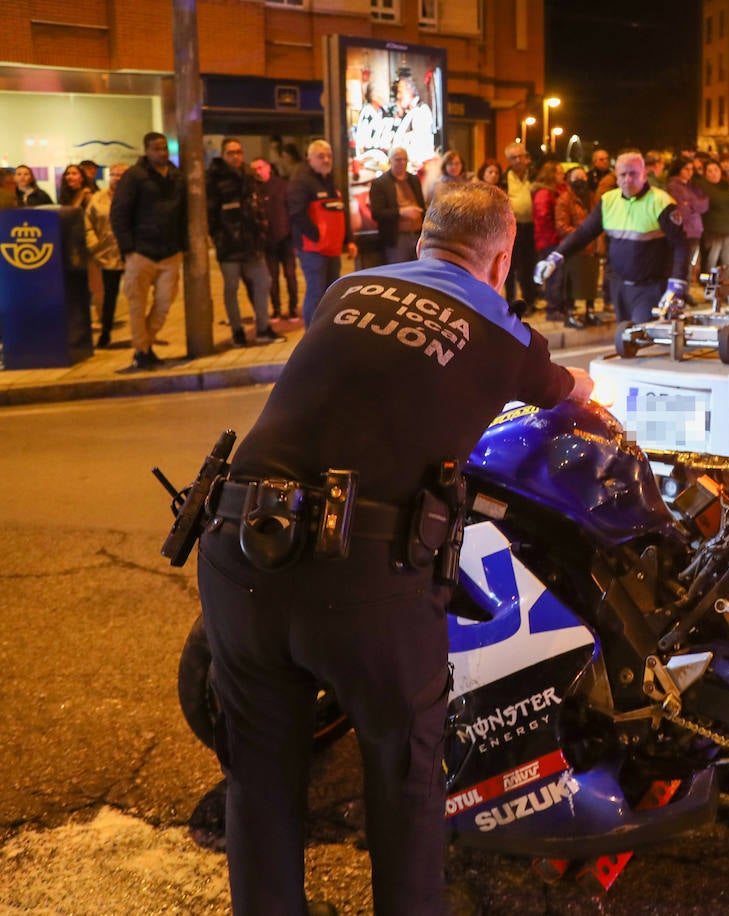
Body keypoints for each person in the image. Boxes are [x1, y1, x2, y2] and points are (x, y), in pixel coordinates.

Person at [196, 179, 593, 915]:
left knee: (260, 777)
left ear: (421, 240)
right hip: (363, 573)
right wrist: (593, 399)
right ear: (502, 260)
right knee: (404, 780)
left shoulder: (348, 287)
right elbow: (569, 394)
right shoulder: (504, 333)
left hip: (236, 543)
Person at [535, 150, 689, 324]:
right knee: (627, 338)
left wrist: (677, 282)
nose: (628, 179)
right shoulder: (608, 201)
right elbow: (584, 233)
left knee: (638, 333)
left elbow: (680, 245)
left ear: (644, 175)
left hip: (651, 286)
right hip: (619, 286)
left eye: (633, 174)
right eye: (623, 174)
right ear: (616, 177)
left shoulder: (661, 202)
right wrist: (555, 258)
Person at [110, 132, 187, 369]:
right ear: (146, 150)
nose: (161, 152)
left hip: (169, 252)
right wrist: (128, 248)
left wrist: (182, 244)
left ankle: (146, 343)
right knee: (136, 306)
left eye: (164, 148)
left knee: (164, 304)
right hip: (140, 252)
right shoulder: (134, 176)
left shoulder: (176, 176)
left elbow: (184, 213)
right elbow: (119, 213)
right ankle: (141, 351)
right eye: (156, 148)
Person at [207, 137, 282, 346]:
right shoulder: (214, 178)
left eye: (239, 152)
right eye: (231, 153)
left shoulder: (248, 175)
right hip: (228, 245)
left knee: (263, 282)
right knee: (231, 288)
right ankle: (237, 331)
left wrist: (261, 231)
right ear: (223, 155)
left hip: (251, 243)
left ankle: (263, 328)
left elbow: (258, 206)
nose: (236, 156)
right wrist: (218, 237)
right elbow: (209, 213)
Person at [288, 139, 356, 326]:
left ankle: (325, 330)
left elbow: (341, 212)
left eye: (329, 156)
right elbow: (297, 214)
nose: (326, 160)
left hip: (332, 248)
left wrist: (349, 240)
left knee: (331, 292)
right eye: (321, 156)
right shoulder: (301, 181)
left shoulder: (330, 180)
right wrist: (318, 236)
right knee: (316, 292)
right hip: (313, 250)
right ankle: (311, 334)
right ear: (310, 159)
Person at [84, 162, 128, 348]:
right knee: (109, 296)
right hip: (107, 255)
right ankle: (106, 333)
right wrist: (94, 245)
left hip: (131, 252)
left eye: (121, 175)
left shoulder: (134, 197)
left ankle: (144, 335)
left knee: (136, 295)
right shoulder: (98, 198)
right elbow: (88, 224)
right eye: (114, 174)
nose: (116, 178)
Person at [530, 160, 577, 326]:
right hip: (549, 240)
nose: (562, 176)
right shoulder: (544, 193)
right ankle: (553, 309)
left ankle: (560, 307)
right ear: (551, 174)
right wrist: (557, 232)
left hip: (554, 239)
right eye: (558, 172)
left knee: (560, 276)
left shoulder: (556, 191)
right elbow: (543, 218)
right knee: (554, 276)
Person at [252, 156, 299, 320]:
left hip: (285, 238)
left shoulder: (281, 185)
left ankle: (293, 308)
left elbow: (291, 210)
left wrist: (294, 236)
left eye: (260, 167)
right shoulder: (254, 188)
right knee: (272, 278)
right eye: (255, 169)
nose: (258, 171)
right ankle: (277, 309)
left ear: (268, 167)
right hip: (267, 241)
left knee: (290, 275)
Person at [555, 165, 601, 327]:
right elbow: (561, 225)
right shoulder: (565, 199)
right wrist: (580, 237)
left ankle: (590, 311)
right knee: (572, 284)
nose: (580, 181)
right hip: (574, 249)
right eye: (576, 178)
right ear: (569, 180)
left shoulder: (593, 197)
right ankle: (571, 313)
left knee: (591, 283)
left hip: (592, 249)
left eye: (583, 177)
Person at [370, 147, 427, 264]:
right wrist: (402, 212)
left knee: (419, 274)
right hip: (397, 238)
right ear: (390, 160)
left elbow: (422, 205)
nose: (402, 163)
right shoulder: (380, 183)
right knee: (400, 276)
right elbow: (377, 213)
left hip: (418, 234)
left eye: (405, 159)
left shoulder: (414, 179)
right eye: (398, 159)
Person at [502, 142, 537, 306]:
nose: (517, 160)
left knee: (529, 264)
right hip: (513, 228)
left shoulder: (535, 175)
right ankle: (510, 300)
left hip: (533, 227)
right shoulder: (504, 178)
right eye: (513, 157)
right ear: (508, 160)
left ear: (526, 157)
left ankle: (530, 300)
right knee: (511, 265)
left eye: (520, 156)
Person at [666, 155, 707, 281]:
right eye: (686, 169)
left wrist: (691, 203)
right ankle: (681, 292)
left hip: (695, 230)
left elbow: (704, 204)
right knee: (683, 264)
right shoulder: (674, 186)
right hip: (685, 230)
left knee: (690, 263)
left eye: (691, 169)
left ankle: (685, 290)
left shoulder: (692, 186)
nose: (690, 172)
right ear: (679, 169)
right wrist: (692, 204)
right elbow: (682, 209)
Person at [696, 158, 729, 284]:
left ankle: (724, 287)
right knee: (711, 261)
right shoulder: (702, 186)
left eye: (716, 170)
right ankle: (709, 287)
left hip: (728, 229)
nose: (714, 173)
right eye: (710, 171)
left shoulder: (725, 186)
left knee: (727, 260)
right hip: (712, 230)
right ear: (705, 173)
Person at [394, 77, 436, 169]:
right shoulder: (411, 112)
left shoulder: (421, 110)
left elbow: (420, 147)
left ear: (410, 91)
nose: (398, 96)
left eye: (400, 91)